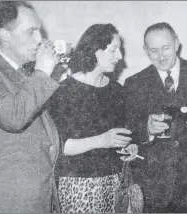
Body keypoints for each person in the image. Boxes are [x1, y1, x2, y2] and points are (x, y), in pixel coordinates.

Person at [0, 1, 61, 213]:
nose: (40, 39)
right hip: (4, 201)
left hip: (35, 198)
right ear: (5, 35)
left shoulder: (25, 75)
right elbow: (14, 116)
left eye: (40, 31)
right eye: (31, 32)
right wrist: (44, 72)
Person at [123, 22, 187, 213]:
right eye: (153, 50)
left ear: (177, 44)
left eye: (166, 48)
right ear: (145, 50)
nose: (161, 56)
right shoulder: (134, 83)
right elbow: (128, 132)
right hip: (152, 189)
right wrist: (147, 130)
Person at [46, 23, 138, 213]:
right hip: (78, 185)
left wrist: (131, 147)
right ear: (94, 50)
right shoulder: (63, 92)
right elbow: (60, 147)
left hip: (114, 181)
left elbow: (124, 136)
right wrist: (102, 140)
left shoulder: (117, 91)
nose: (120, 56)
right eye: (113, 50)